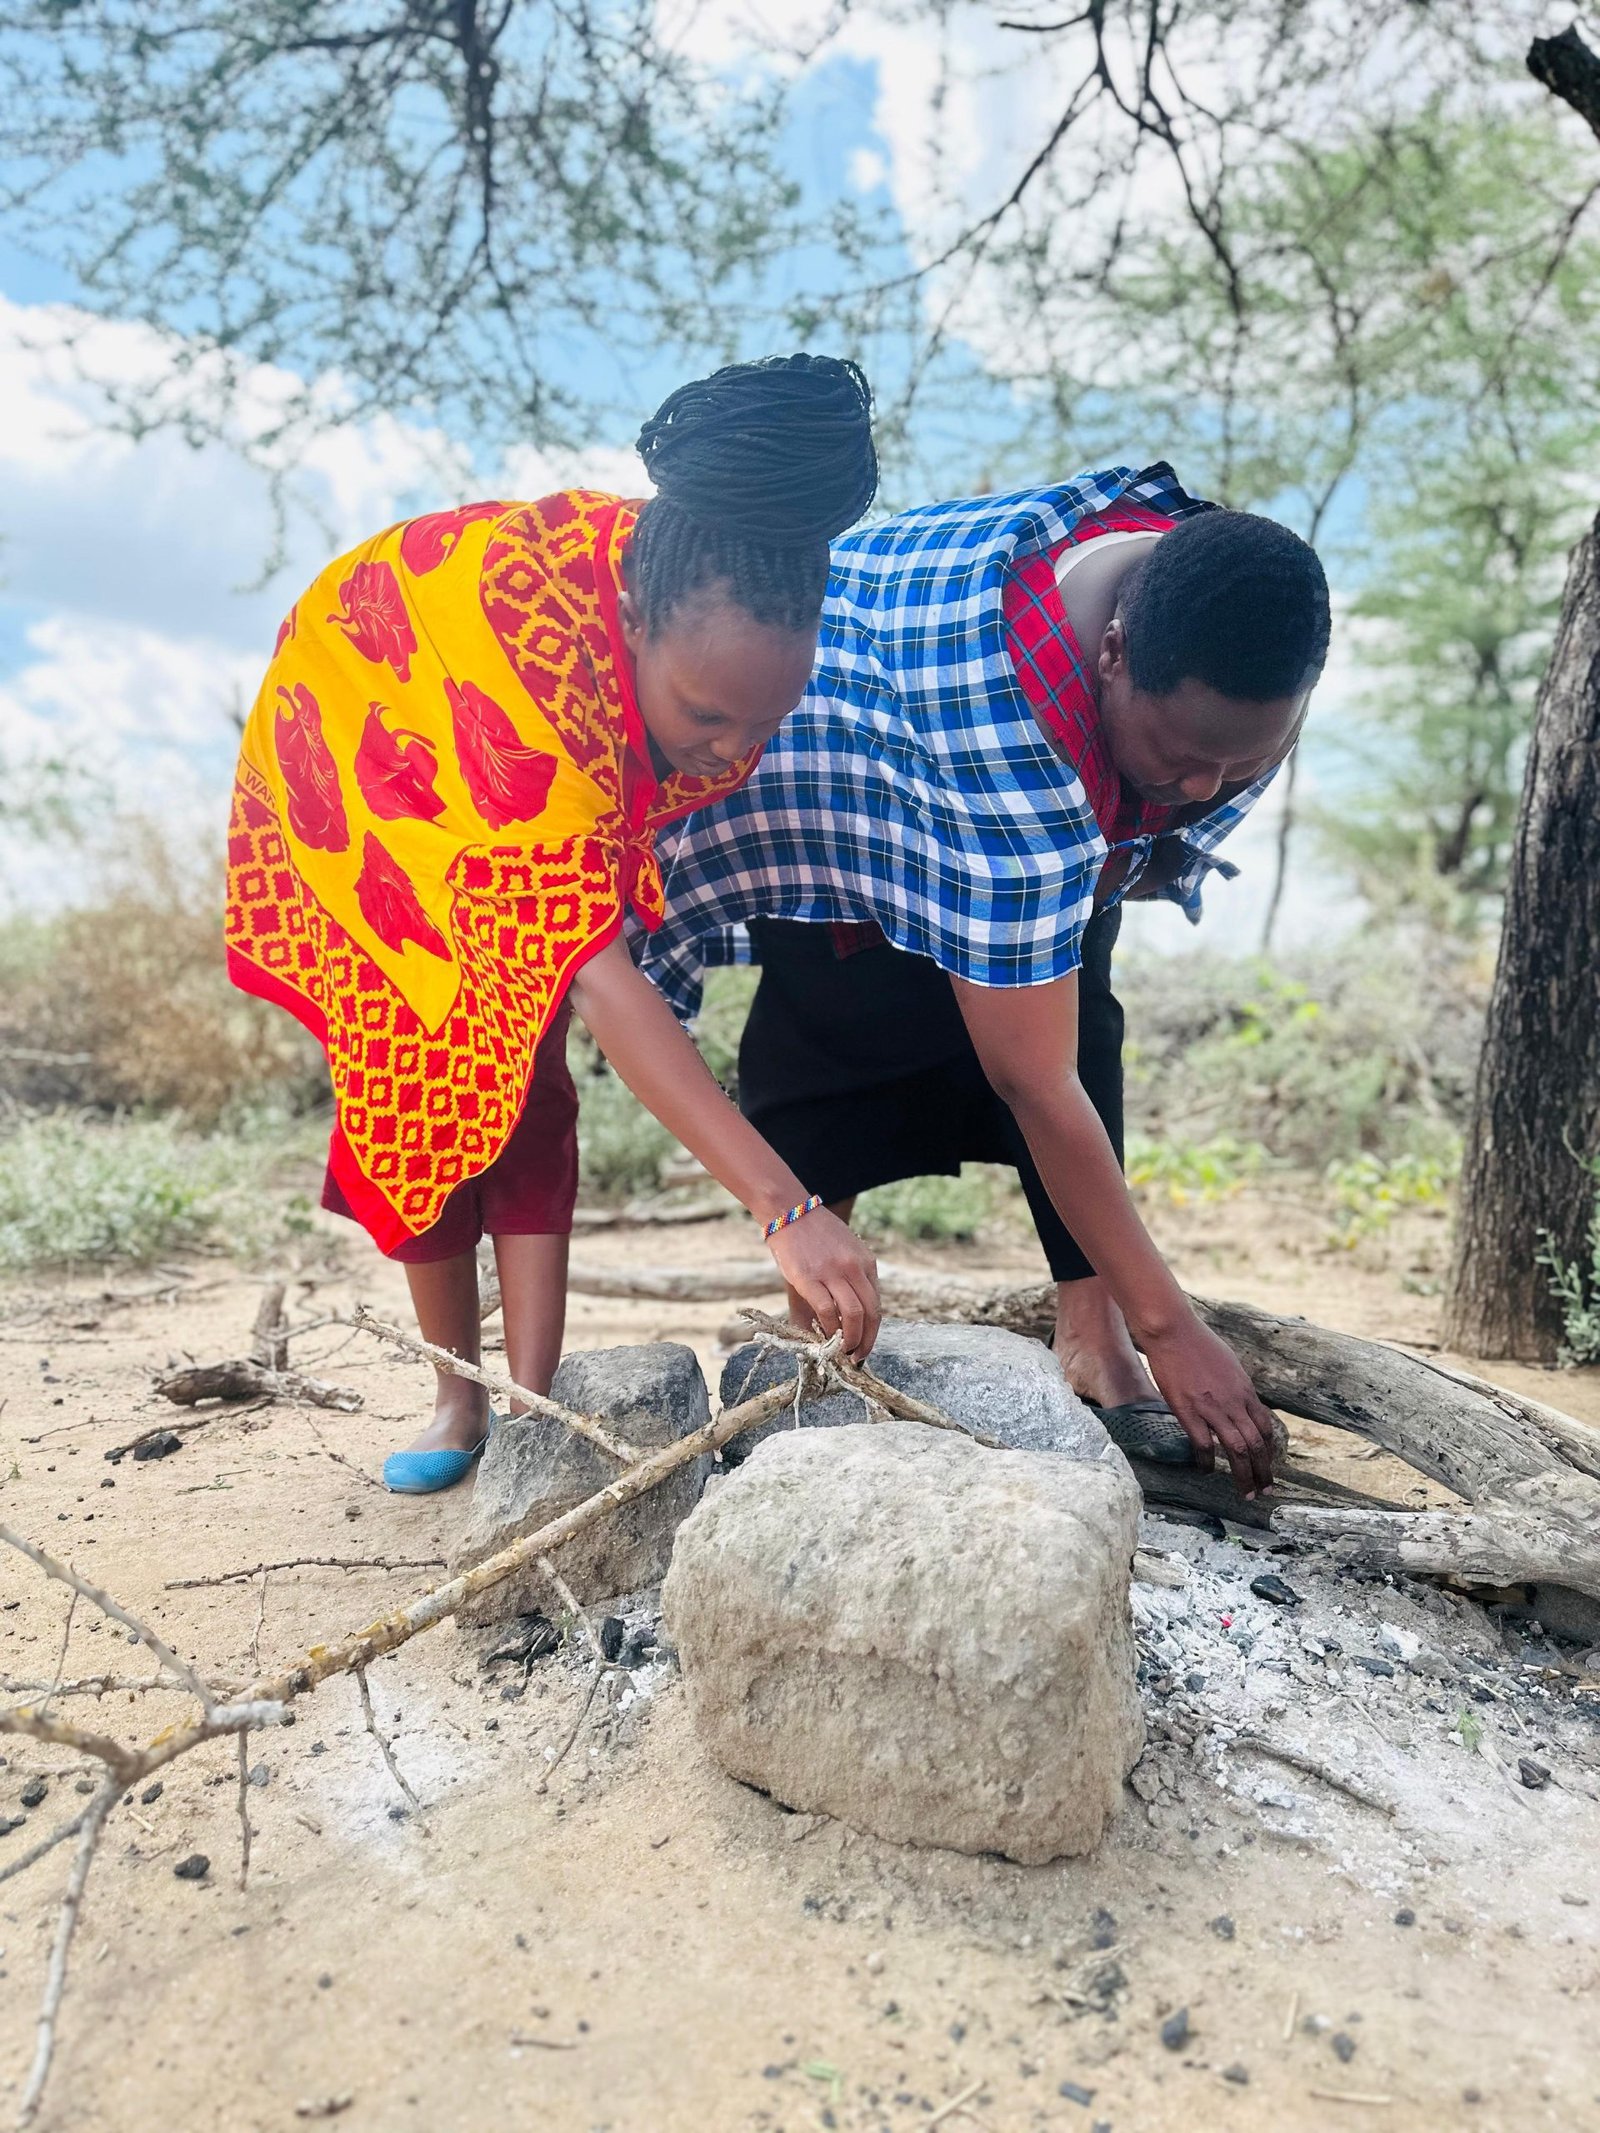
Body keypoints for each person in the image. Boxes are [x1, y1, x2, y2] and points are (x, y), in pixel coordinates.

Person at [225, 355, 883, 1492]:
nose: (732, 751)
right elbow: (601, 975)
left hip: (490, 758)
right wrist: (784, 1206)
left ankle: (532, 1399)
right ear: (630, 623)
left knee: (529, 1081)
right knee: (414, 1070)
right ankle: (457, 1395)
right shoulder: (541, 673)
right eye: (708, 715)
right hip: (367, 739)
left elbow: (574, 950)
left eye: (763, 722)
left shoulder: (698, 586)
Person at [639, 466, 1331, 1498]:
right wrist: (1176, 1326)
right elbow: (1029, 1082)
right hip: (843, 785)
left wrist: (1114, 850)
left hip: (1030, 812)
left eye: (1239, 766)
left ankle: (1092, 1337)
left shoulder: (1218, 596)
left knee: (1077, 1006)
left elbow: (1056, 1058)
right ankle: (821, 1342)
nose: (1201, 787)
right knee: (828, 1040)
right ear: (1110, 653)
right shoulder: (1003, 715)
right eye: (1182, 754)